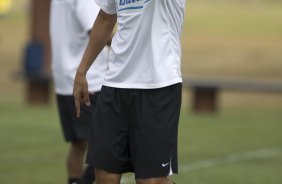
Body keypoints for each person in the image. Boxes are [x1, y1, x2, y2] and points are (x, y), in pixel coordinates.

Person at [73, 0, 186, 184]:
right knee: (105, 177)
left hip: (158, 87)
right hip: (115, 84)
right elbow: (105, 16)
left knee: (150, 181)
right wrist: (82, 71)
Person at [49, 0, 110, 184]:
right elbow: (99, 29)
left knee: (79, 144)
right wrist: (128, 49)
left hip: (65, 78)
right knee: (106, 149)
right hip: (89, 81)